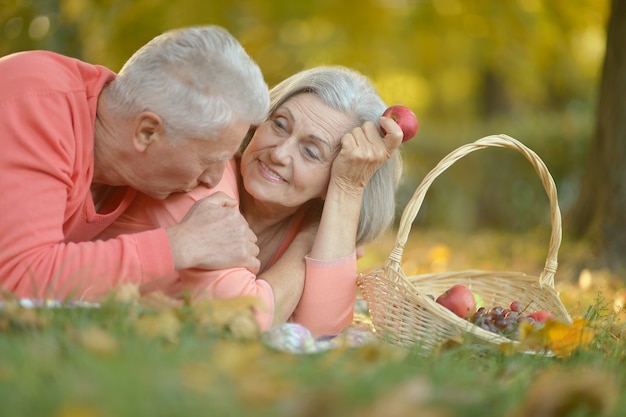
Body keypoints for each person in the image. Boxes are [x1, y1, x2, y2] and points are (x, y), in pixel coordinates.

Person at [98, 66, 404, 337]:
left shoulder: (315, 214)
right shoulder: (203, 177)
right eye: (280, 125)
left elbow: (323, 332)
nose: (279, 153)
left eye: (311, 151)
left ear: (332, 182)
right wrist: (307, 242)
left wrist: (348, 191)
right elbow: (245, 320)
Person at [0, 26, 270, 300]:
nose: (213, 178)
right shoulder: (36, 102)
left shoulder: (135, 171)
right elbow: (18, 278)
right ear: (147, 132)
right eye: (210, 161)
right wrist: (181, 244)